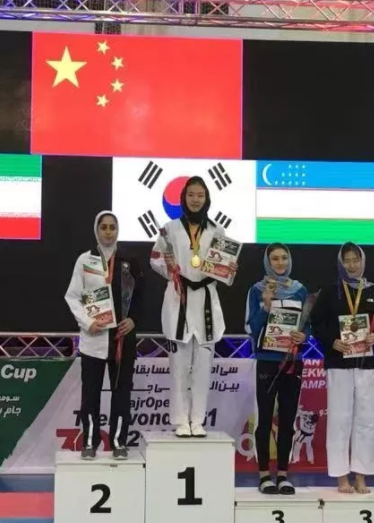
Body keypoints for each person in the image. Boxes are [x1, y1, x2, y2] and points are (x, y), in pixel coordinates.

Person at [150, 176, 237, 438]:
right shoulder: (169, 229)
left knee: (202, 369)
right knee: (178, 367)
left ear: (206, 199)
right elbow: (155, 258)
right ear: (183, 198)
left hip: (207, 301)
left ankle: (197, 420)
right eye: (191, 195)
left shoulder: (217, 230)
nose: (195, 199)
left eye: (200, 195)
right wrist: (169, 268)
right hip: (179, 299)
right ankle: (180, 421)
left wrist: (230, 269)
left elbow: (224, 269)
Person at [65, 211, 144, 460]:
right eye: (104, 227)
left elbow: (142, 295)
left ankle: (119, 441)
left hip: (122, 339)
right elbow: (72, 296)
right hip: (94, 340)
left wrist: (134, 319)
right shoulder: (85, 260)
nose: (108, 232)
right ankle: (90, 441)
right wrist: (87, 322)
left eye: (112, 227)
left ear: (117, 230)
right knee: (90, 394)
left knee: (121, 394)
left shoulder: (130, 260)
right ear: (96, 230)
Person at [310, 242, 374, 493]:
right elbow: (316, 324)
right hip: (338, 364)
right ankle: (341, 476)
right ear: (341, 263)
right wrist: (331, 341)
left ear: (362, 261)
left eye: (356, 260)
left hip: (366, 364)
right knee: (339, 419)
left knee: (366, 420)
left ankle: (361, 475)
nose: (352, 265)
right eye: (347, 261)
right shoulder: (330, 291)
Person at [245, 243, 309, 494]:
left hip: (292, 361)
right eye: (275, 259)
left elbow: (307, 323)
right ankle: (264, 475)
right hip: (267, 360)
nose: (280, 263)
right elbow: (251, 327)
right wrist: (265, 305)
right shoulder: (256, 290)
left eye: (284, 258)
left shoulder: (300, 290)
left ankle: (283, 474)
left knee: (288, 419)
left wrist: (304, 335)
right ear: (267, 262)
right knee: (263, 419)